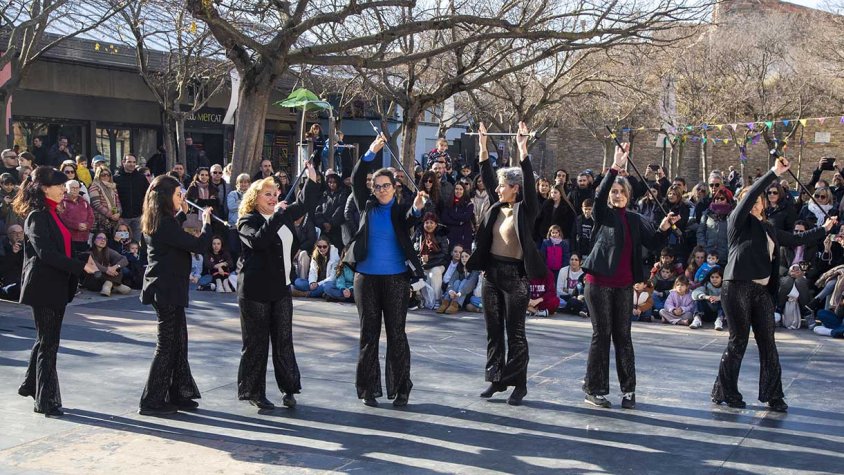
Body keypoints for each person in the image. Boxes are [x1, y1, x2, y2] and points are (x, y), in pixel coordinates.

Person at [711, 156, 835, 413]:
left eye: (758, 198)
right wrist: (773, 173)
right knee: (739, 341)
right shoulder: (737, 222)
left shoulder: (768, 228)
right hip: (737, 286)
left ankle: (772, 394)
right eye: (750, 197)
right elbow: (752, 192)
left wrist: (825, 228)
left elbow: (794, 239)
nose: (755, 200)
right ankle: (725, 390)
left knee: (768, 342)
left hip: (762, 291)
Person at [580, 143, 674, 410]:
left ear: (629, 195)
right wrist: (614, 168)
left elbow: (654, 242)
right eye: (614, 191)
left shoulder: (634, 219)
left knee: (623, 336)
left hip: (623, 286)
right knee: (602, 334)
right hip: (597, 284)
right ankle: (594, 388)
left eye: (622, 191)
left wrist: (664, 227)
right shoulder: (603, 215)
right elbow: (596, 200)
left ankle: (628, 390)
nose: (617, 194)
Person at [465, 122, 547, 406]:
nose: (497, 189)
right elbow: (487, 176)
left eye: (503, 186)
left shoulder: (526, 210)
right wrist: (483, 146)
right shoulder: (496, 205)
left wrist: (523, 149)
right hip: (492, 274)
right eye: (498, 186)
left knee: (516, 334)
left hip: (515, 277)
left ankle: (517, 384)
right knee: (493, 332)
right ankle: (495, 380)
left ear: (514, 188)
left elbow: (531, 186)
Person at [343, 134, 426, 408]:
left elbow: (413, 216)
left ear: (394, 187)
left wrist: (417, 207)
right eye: (377, 186)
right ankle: (369, 389)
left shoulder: (400, 210)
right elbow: (356, 179)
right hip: (365, 280)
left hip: (395, 280)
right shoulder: (365, 206)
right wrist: (370, 151)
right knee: (368, 335)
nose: (381, 190)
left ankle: (401, 389)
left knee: (396, 335)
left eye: (386, 185)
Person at [14, 167, 99, 417]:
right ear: (43, 188)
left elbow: (63, 247)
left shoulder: (52, 213)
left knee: (45, 340)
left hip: (56, 284)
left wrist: (86, 258)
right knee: (49, 342)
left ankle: (32, 385)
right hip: (43, 287)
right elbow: (47, 254)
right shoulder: (37, 216)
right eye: (59, 185)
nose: (64, 189)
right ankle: (46, 400)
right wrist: (81, 266)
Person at [236, 162, 320, 410]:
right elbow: (259, 241)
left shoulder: (281, 215)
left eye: (275, 194)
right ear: (255, 197)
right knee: (256, 344)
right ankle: (254, 392)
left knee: (284, 341)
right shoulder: (247, 221)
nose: (274, 198)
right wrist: (275, 216)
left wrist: (312, 180)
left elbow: (304, 204)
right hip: (255, 291)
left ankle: (290, 388)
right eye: (268, 194)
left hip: (282, 288)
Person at [138, 175, 214, 416]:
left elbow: (172, 235)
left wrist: (182, 212)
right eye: (178, 194)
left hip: (168, 287)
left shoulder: (160, 220)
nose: (183, 198)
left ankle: (179, 392)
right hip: (166, 289)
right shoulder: (164, 223)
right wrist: (207, 223)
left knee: (179, 342)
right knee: (167, 345)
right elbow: (197, 245)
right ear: (165, 197)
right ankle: (151, 400)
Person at [58, 180, 94, 254]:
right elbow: (62, 218)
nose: (75, 190)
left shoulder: (84, 201)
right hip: (69, 238)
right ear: (66, 188)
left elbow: (91, 217)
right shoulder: (62, 201)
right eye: (72, 188)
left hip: (84, 238)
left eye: (77, 188)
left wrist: (87, 225)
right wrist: (76, 225)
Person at [88, 166, 122, 238]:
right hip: (100, 221)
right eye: (103, 175)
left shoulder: (112, 187)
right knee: (102, 241)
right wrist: (111, 215)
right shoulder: (94, 187)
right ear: (98, 176)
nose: (106, 177)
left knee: (117, 239)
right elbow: (96, 204)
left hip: (114, 220)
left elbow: (118, 202)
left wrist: (118, 213)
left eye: (108, 175)